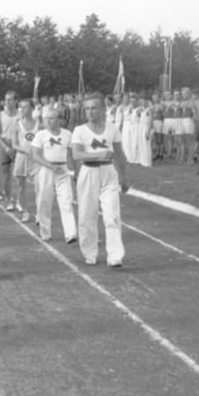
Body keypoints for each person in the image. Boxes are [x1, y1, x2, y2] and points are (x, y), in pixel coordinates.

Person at [70, 93, 128, 267]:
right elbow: (76, 154)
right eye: (87, 108)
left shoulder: (112, 129)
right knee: (87, 215)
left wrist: (124, 177)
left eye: (94, 108)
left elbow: (119, 154)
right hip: (88, 173)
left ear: (103, 109)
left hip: (108, 173)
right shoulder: (80, 131)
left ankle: (115, 256)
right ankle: (90, 252)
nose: (90, 112)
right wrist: (98, 154)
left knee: (112, 215)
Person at [31, 107, 77, 243]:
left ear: (59, 120)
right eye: (46, 119)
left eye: (51, 118)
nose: (48, 121)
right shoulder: (41, 135)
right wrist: (51, 166)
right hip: (46, 169)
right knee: (44, 201)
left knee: (66, 200)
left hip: (62, 169)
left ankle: (70, 233)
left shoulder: (67, 134)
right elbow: (35, 155)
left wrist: (75, 171)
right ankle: (45, 232)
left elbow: (71, 154)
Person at [9, 98, 39, 223]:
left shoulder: (39, 124)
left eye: (26, 107)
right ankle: (25, 211)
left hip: (36, 158)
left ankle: (39, 213)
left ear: (32, 108)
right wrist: (24, 150)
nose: (23, 110)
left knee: (39, 186)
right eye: (21, 107)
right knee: (21, 187)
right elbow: (14, 144)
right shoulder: (16, 124)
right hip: (22, 157)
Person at [0, 91, 21, 206]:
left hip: (18, 144)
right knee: (6, 174)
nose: (8, 102)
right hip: (5, 144)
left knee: (20, 175)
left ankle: (20, 200)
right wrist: (5, 147)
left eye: (10, 99)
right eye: (6, 100)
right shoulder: (0, 115)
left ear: (16, 101)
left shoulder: (21, 114)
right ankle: (8, 199)